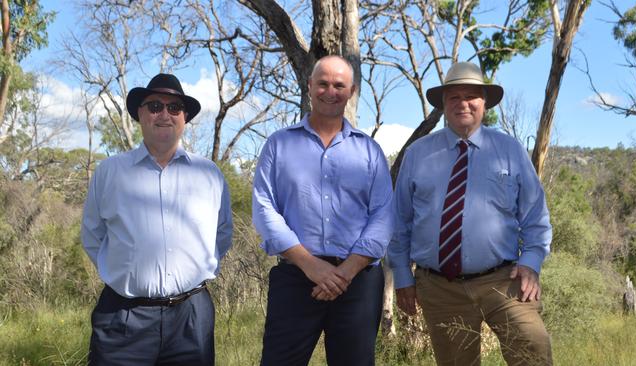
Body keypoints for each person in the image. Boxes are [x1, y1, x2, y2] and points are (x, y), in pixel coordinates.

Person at [388, 62, 553, 366]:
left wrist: (531, 262)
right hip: (439, 288)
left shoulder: (509, 150)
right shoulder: (418, 154)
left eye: (471, 96)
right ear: (443, 104)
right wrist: (402, 276)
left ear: (484, 102)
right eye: (454, 97)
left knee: (534, 353)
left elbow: (535, 218)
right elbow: (399, 223)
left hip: (505, 281)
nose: (463, 104)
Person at [81, 73, 233, 365]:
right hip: (123, 317)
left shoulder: (210, 175)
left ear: (184, 117)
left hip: (192, 318)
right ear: (140, 113)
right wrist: (126, 274)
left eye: (174, 107)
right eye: (154, 106)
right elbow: (93, 236)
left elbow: (222, 234)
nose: (164, 114)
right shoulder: (110, 172)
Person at [252, 55, 393, 366]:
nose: (331, 91)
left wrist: (346, 271)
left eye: (339, 85)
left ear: (352, 90)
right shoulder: (279, 145)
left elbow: (383, 215)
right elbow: (264, 207)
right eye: (323, 84)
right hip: (295, 276)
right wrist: (309, 264)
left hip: (358, 281)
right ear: (309, 86)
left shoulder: (369, 151)